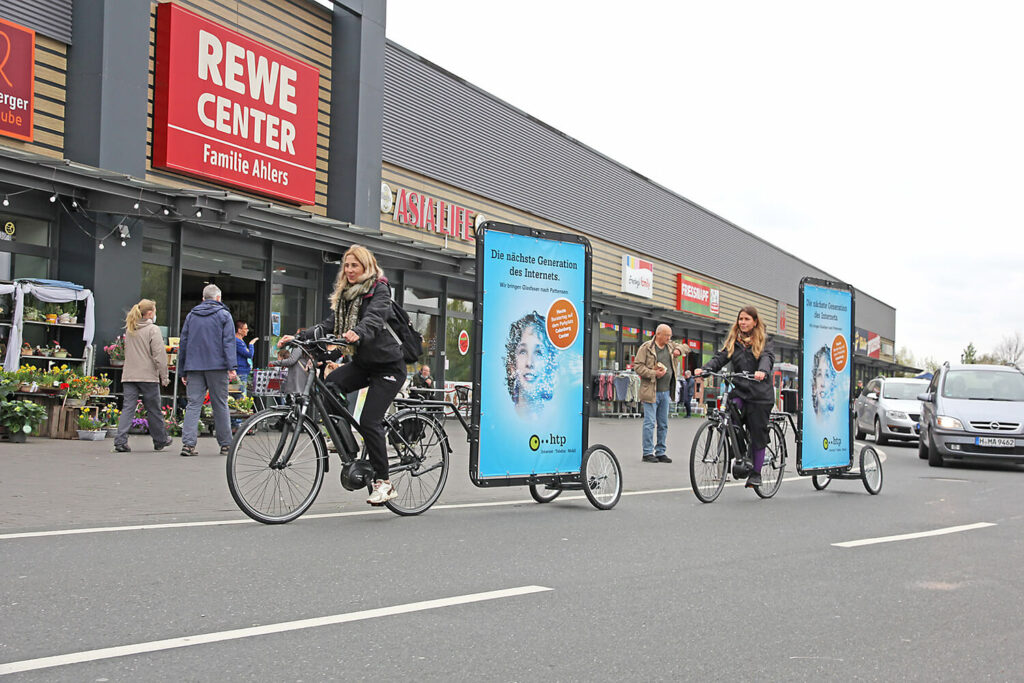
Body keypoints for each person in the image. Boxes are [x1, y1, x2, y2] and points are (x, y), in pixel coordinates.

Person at [278, 245, 405, 506]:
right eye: (346, 265)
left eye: (354, 265)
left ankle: (385, 482)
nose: (349, 270)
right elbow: (329, 325)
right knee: (330, 385)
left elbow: (374, 317)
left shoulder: (379, 289)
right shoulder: (347, 295)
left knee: (370, 420)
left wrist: (358, 331)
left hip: (388, 367)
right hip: (364, 363)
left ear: (366, 266)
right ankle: (345, 443)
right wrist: (299, 337)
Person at [696, 306, 776, 487]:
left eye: (747, 319)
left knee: (757, 433)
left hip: (759, 395)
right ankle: (737, 449)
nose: (743, 322)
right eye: (741, 319)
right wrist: (706, 369)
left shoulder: (765, 340)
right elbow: (720, 357)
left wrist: (762, 371)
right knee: (728, 411)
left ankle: (756, 474)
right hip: (740, 390)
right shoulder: (735, 341)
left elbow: (767, 358)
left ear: (755, 321)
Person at [178, 284, 237, 457]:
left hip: (194, 366)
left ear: (203, 299)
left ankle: (188, 445)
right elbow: (228, 343)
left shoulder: (191, 316)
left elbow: (184, 343)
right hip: (217, 367)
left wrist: (182, 370)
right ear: (218, 298)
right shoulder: (224, 315)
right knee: (220, 404)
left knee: (193, 404)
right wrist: (231, 367)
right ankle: (226, 445)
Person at [112, 299, 172, 453]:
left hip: (129, 375)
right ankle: (160, 440)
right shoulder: (153, 329)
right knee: (154, 409)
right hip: (147, 376)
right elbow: (159, 354)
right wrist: (164, 377)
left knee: (128, 407)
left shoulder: (130, 328)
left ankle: (120, 440)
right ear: (150, 313)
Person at [634, 324, 686, 463]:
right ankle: (647, 452)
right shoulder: (646, 348)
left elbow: (686, 347)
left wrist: (679, 351)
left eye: (670, 335)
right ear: (658, 335)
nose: (669, 338)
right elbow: (637, 366)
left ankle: (661, 451)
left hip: (666, 392)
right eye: (667, 335)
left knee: (663, 423)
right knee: (650, 423)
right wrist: (653, 373)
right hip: (651, 391)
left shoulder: (670, 346)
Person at [504, 312, 558, 418]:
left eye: (538, 353)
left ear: (549, 365)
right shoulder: (501, 417)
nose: (529, 363)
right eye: (523, 352)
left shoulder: (558, 419)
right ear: (512, 365)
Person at [268, 329, 310, 397]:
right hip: (302, 379)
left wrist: (274, 363)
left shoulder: (299, 346)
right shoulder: (307, 346)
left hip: (297, 379)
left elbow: (291, 361)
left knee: (296, 400)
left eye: (298, 334)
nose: (295, 335)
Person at [234, 321, 257, 394]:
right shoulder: (237, 341)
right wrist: (251, 344)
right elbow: (249, 354)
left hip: (243, 371)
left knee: (241, 395)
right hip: (240, 371)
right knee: (242, 396)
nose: (248, 330)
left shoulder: (240, 341)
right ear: (239, 330)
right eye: (246, 328)